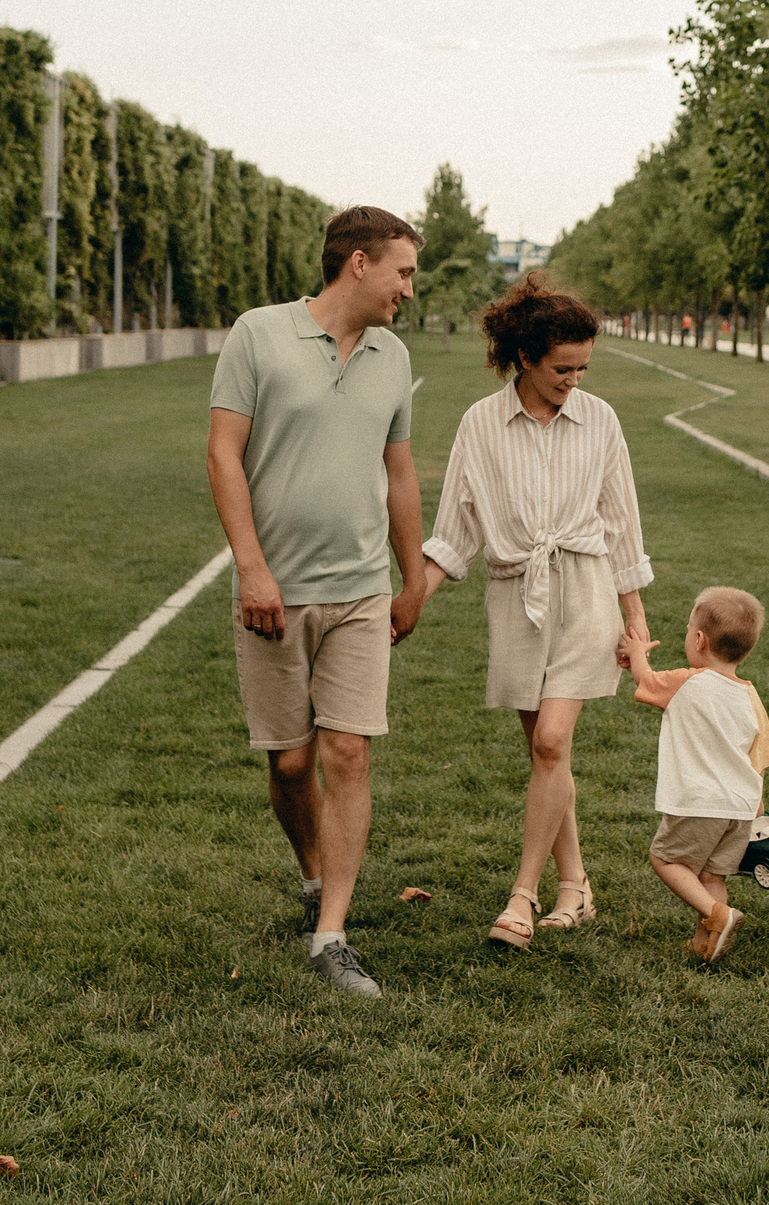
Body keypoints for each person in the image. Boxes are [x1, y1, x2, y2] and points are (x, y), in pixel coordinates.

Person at [205, 206, 428, 998]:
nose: (409, 286)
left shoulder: (395, 356)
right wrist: (253, 568)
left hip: (362, 591)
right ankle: (312, 874)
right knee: (291, 761)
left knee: (347, 753)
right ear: (359, 263)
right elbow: (223, 453)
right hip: (276, 593)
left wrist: (413, 577)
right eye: (402, 270)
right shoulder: (258, 334)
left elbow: (399, 473)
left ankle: (332, 934)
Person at [409, 273, 652, 950]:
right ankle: (575, 883)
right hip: (516, 594)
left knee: (551, 742)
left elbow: (620, 520)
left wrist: (634, 616)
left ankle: (521, 898)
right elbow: (453, 532)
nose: (574, 380)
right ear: (524, 358)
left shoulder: (600, 418)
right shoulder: (479, 424)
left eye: (583, 368)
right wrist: (411, 603)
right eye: (561, 368)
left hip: (585, 590)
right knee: (548, 750)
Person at [618, 586, 769, 965]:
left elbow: (646, 680)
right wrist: (757, 801)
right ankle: (706, 946)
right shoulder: (750, 696)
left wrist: (637, 655)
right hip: (739, 805)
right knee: (712, 875)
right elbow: (759, 754)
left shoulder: (688, 681)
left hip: (699, 801)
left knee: (666, 860)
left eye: (688, 629)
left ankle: (718, 915)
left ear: (700, 640)